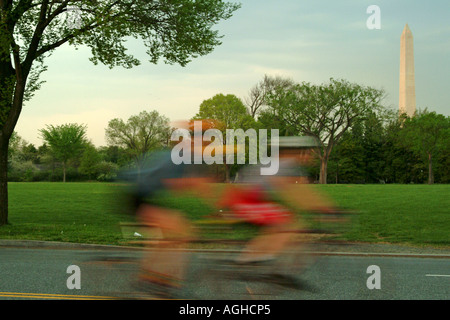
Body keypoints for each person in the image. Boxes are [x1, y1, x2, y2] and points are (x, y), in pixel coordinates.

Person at [216, 136, 338, 265]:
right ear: (297, 152)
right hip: (244, 200)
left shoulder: (289, 166)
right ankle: (251, 259)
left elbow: (307, 193)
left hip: (251, 200)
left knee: (281, 221)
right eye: (307, 153)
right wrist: (327, 210)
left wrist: (327, 208)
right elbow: (293, 192)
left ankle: (254, 257)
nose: (310, 157)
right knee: (286, 222)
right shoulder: (285, 164)